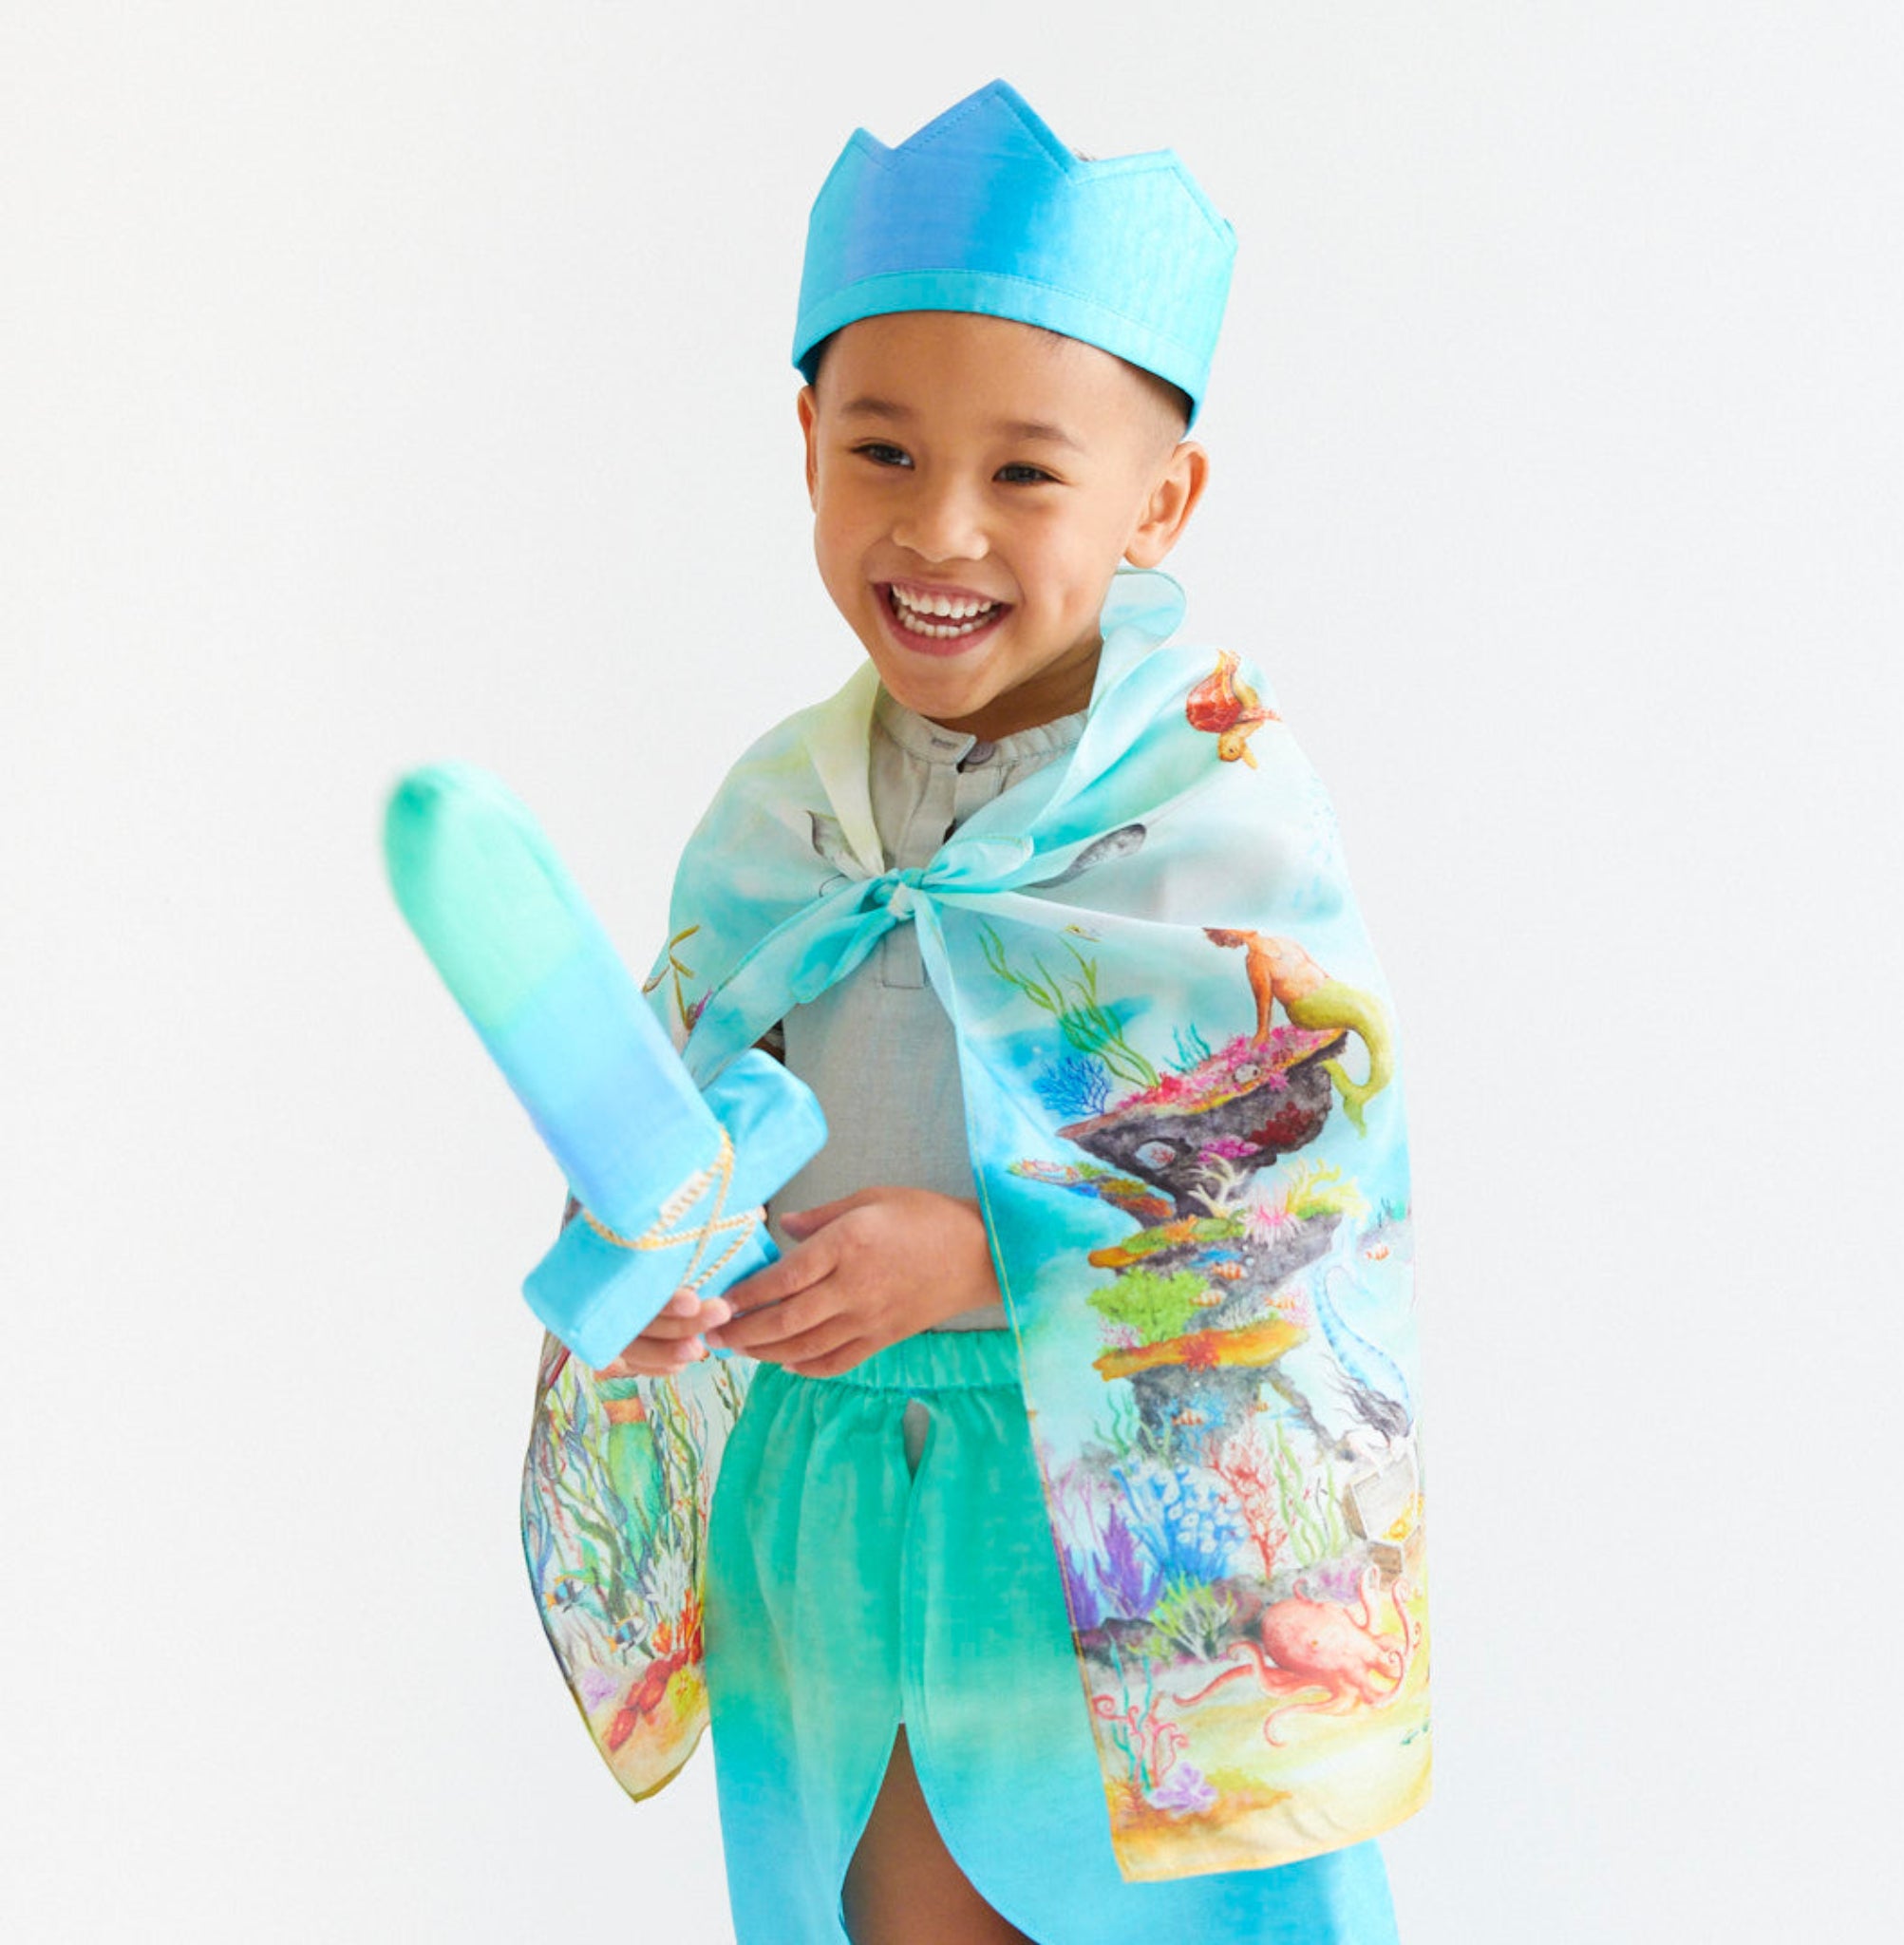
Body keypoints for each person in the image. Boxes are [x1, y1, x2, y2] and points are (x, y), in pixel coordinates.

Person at [520, 80, 1425, 1944]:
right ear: (806, 444)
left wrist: (979, 1256)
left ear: (1160, 501)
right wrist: (662, 1271)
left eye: (1025, 474)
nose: (940, 530)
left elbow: (1308, 1187)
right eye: (881, 450)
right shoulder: (776, 816)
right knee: (875, 1906)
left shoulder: (1217, 815)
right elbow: (680, 1123)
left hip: (1099, 1534)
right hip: (831, 1518)